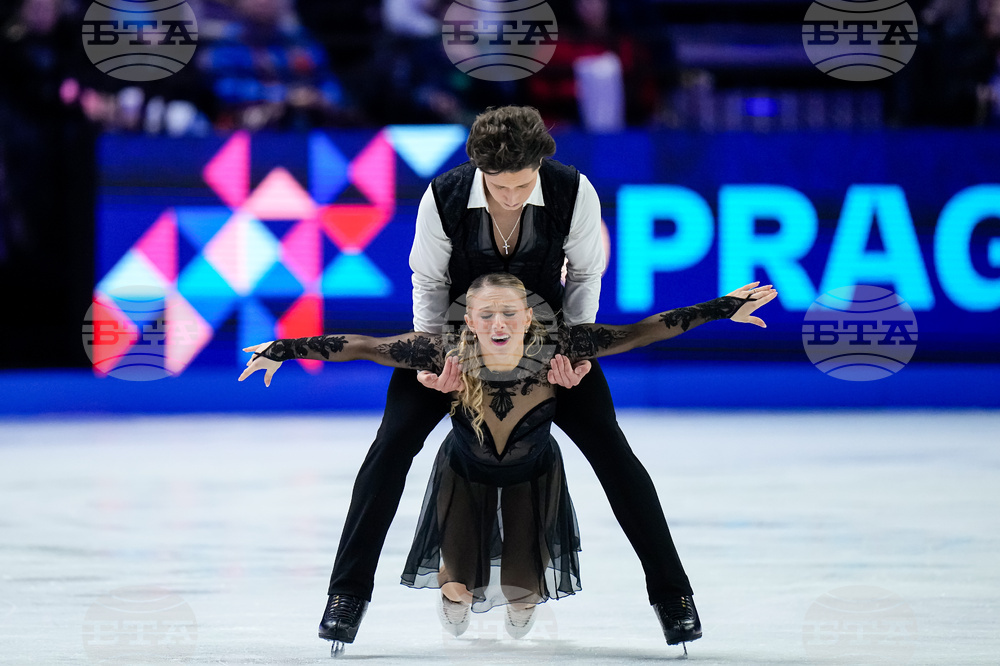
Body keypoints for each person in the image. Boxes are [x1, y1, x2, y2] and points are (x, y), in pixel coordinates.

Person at [298, 105, 709, 650]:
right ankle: (346, 596)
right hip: (456, 343)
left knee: (615, 455)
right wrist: (435, 359)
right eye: (498, 186)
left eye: (522, 184)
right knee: (388, 450)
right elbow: (428, 281)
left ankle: (673, 597)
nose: (511, 196)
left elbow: (585, 274)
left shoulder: (572, 190)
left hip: (546, 346)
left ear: (540, 165)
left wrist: (576, 350)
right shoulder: (444, 196)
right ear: (479, 169)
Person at [239, 272, 777, 641]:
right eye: (487, 314)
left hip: (533, 474)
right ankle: (402, 592)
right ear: (469, 321)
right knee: (457, 594)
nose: (498, 323)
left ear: (529, 317)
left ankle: (662, 599)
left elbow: (641, 332)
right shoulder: (439, 352)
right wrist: (281, 348)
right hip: (463, 472)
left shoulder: (564, 346)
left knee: (522, 599)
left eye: (509, 313)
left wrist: (723, 307)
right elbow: (360, 344)